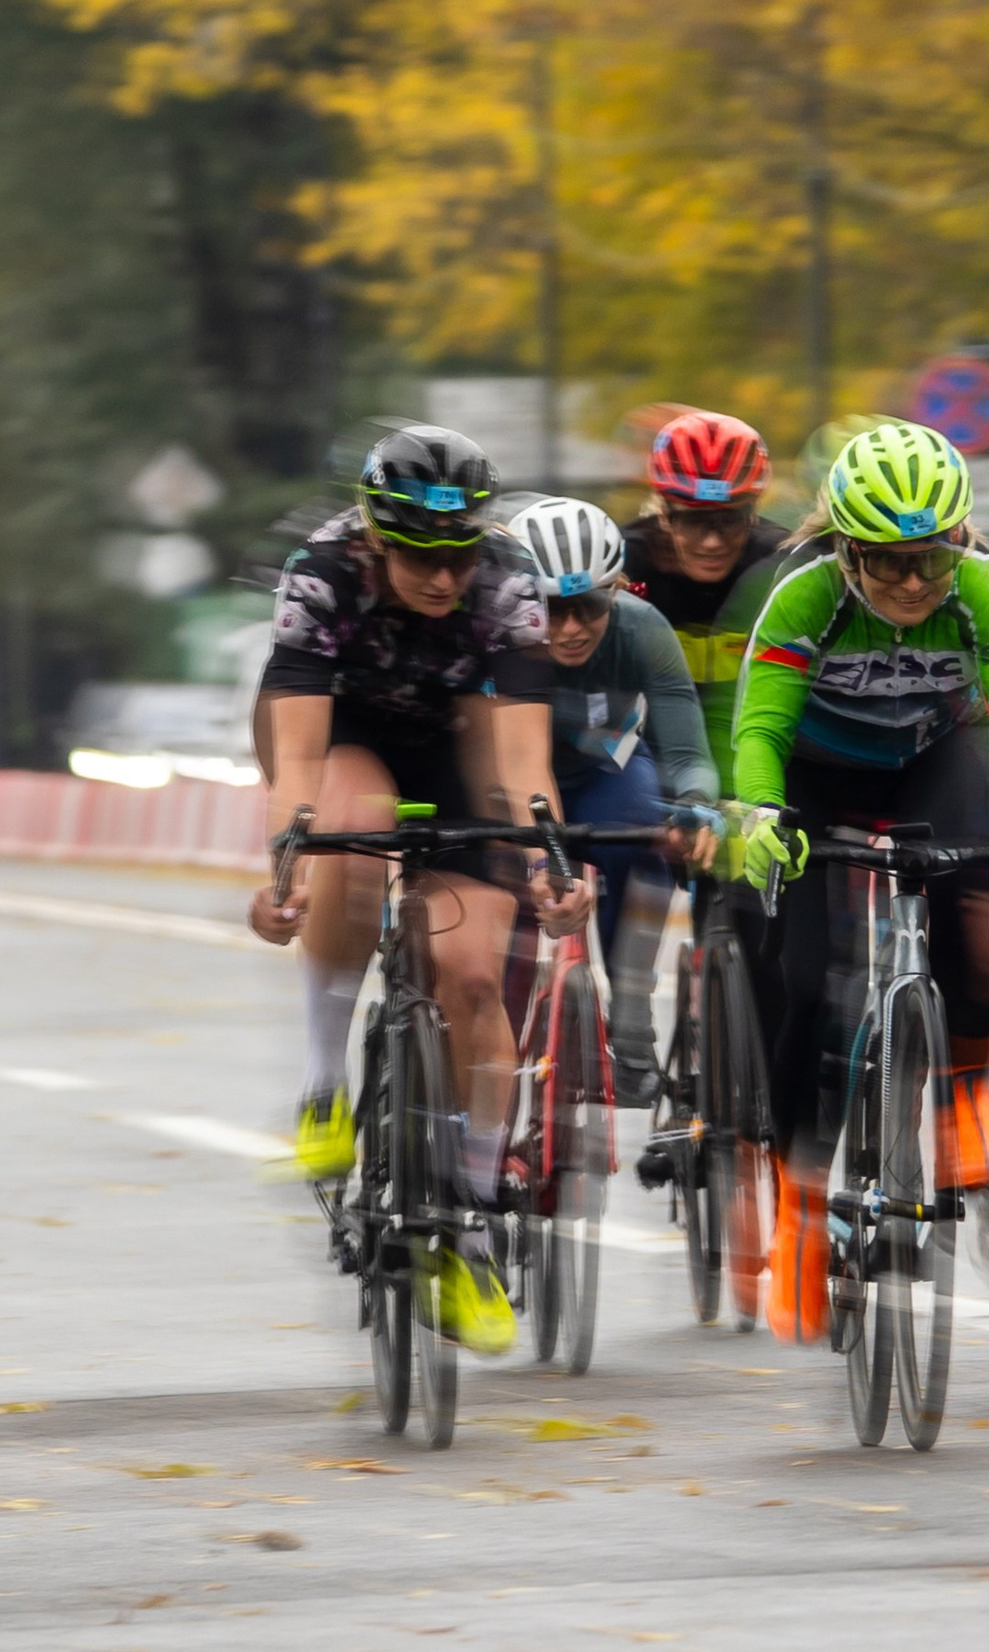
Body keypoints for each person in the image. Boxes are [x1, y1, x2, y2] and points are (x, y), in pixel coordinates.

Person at [728, 418, 989, 1345]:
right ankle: (801, 1210)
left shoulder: (984, 593)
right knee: (803, 981)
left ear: (959, 540)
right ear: (845, 549)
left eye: (931, 558)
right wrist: (763, 815)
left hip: (931, 760)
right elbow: (760, 731)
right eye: (886, 564)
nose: (914, 583)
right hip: (815, 774)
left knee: (976, 900)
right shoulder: (804, 599)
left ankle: (966, 1098)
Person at [247, 424, 591, 1356]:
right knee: (350, 846)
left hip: (456, 729)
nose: (442, 578)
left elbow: (523, 761)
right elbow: (300, 760)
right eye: (416, 555)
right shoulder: (322, 574)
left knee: (474, 974)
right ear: (374, 533)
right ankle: (325, 1081)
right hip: (343, 729)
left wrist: (550, 865)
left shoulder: (506, 580)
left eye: (457, 555)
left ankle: (471, 1222)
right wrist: (285, 869)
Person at [499, 496, 719, 1105]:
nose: (570, 629)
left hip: (602, 773)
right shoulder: (490, 631)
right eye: (551, 610)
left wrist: (695, 804)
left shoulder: (643, 626)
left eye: (589, 606)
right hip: (509, 781)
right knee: (501, 878)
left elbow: (683, 746)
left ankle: (631, 1013)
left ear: (617, 589)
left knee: (648, 829)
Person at [621, 410, 788, 780]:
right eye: (694, 520)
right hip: (649, 756)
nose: (712, 541)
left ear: (753, 514)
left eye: (730, 519)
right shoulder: (626, 565)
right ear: (664, 514)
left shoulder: (783, 568)